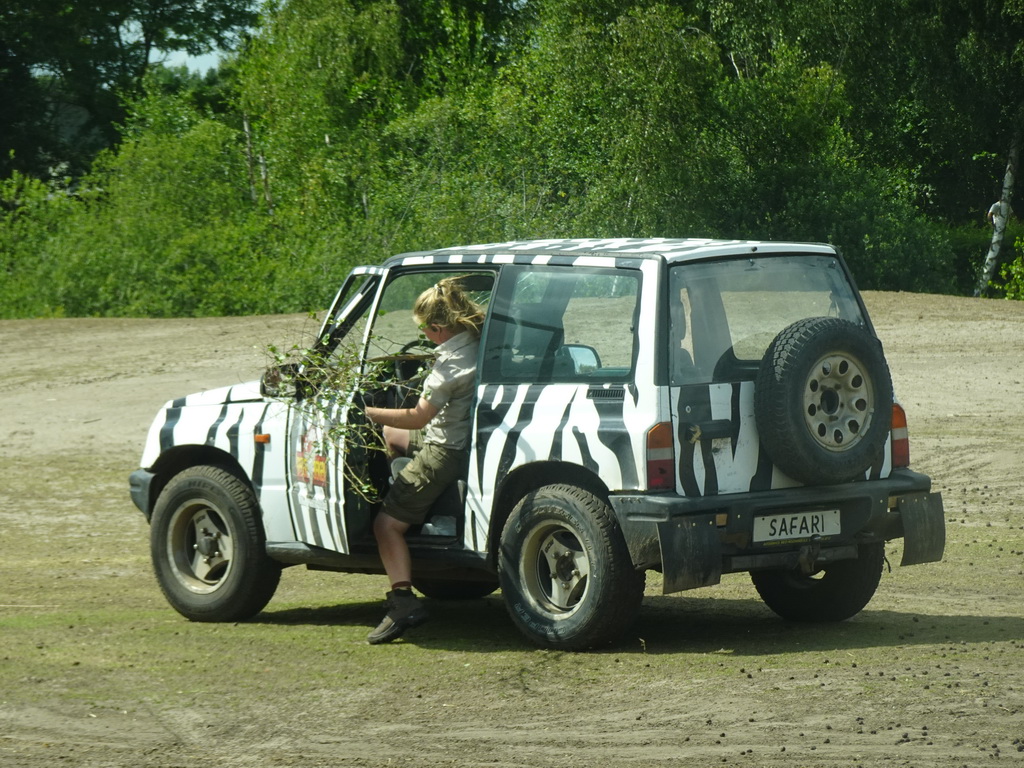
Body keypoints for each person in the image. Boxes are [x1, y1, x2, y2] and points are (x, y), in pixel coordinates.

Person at [362, 276, 483, 644]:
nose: (425, 335)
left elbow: (417, 418)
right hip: (459, 436)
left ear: (438, 328)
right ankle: (417, 511)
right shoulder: (477, 343)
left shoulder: (449, 369)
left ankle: (401, 601)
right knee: (390, 439)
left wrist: (368, 412)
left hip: (443, 450)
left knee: (384, 526)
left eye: (424, 329)